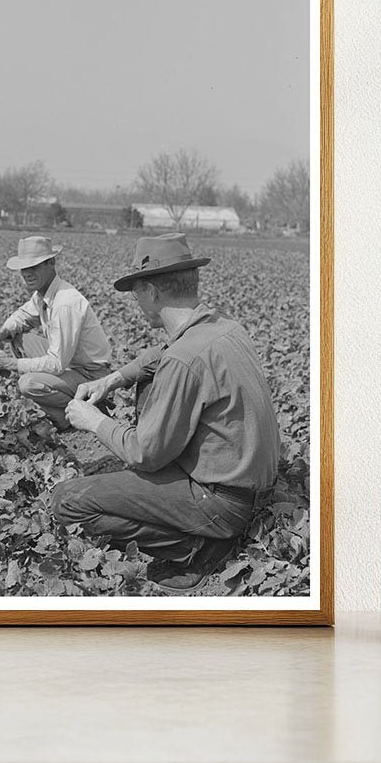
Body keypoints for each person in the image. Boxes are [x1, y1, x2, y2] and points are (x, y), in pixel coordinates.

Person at [53, 233, 280, 593]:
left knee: (67, 501)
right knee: (149, 388)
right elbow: (159, 355)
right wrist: (112, 379)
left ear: (152, 292)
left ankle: (193, 548)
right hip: (255, 489)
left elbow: (144, 453)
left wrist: (93, 421)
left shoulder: (183, 360)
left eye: (136, 293)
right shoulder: (223, 327)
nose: (136, 301)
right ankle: (201, 528)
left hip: (221, 504)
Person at [0, 237, 112, 431]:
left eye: (33, 266)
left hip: (90, 375)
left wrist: (10, 363)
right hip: (71, 364)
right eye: (24, 268)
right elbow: (23, 315)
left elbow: (57, 363)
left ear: (51, 263)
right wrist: (2, 332)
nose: (27, 273)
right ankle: (59, 404)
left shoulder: (64, 303)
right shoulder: (44, 293)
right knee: (19, 337)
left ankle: (78, 412)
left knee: (28, 383)